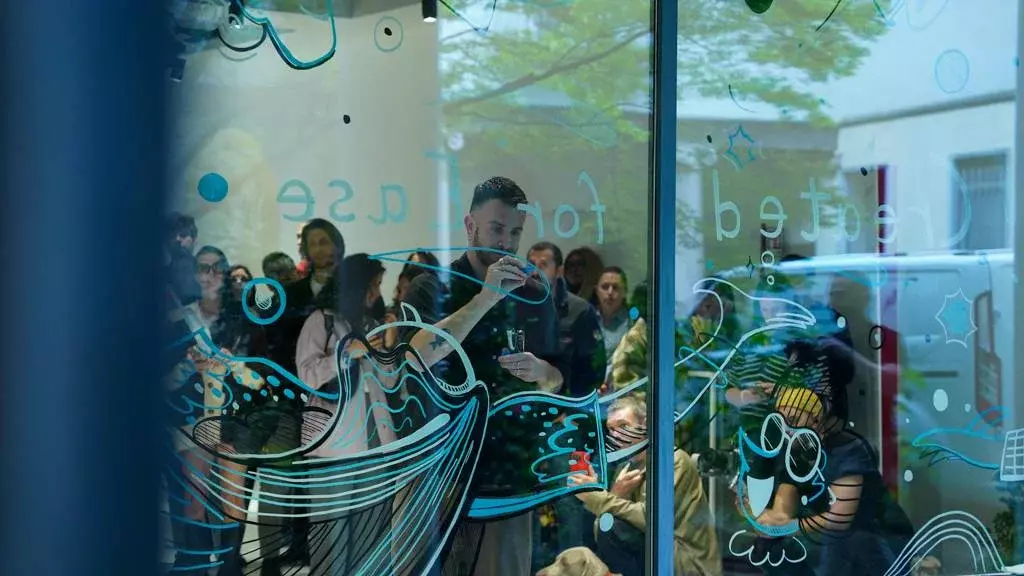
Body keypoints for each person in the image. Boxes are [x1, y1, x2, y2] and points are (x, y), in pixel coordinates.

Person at [400, 176, 564, 576]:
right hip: (434, 474)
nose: (506, 242)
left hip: (506, 479)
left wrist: (543, 372)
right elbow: (415, 357)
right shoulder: (430, 287)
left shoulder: (533, 295)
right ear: (470, 225)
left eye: (515, 232)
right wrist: (485, 298)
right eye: (496, 228)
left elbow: (557, 381)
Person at [295, 254, 400, 575]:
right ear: (357, 286)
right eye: (373, 285)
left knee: (373, 532)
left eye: (379, 286)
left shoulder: (373, 325)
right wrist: (346, 355)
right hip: (334, 444)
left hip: (376, 442)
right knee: (332, 533)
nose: (377, 293)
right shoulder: (322, 321)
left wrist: (387, 349)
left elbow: (390, 382)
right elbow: (307, 375)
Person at [751, 386, 915, 576]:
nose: (787, 429)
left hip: (877, 537)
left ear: (816, 421)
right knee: (771, 547)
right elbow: (785, 502)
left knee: (840, 542)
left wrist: (789, 526)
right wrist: (771, 523)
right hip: (838, 542)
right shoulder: (795, 454)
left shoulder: (847, 449)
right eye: (780, 423)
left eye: (794, 420)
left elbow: (839, 519)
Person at [568, 397, 722, 576]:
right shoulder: (625, 467)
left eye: (623, 426)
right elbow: (601, 531)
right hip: (656, 556)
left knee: (615, 528)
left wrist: (598, 497)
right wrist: (616, 494)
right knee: (606, 527)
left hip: (687, 562)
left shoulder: (672, 460)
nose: (615, 435)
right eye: (611, 429)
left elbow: (652, 520)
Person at [526, 241, 607, 569]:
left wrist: (569, 409)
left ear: (558, 270)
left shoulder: (578, 310)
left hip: (565, 424)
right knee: (527, 503)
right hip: (526, 421)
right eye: (530, 263)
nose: (535, 269)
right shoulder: (515, 306)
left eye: (543, 264)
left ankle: (575, 569)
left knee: (568, 500)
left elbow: (595, 369)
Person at [596, 266, 630, 361]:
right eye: (605, 287)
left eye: (615, 287)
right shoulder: (587, 320)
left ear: (625, 292)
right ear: (597, 291)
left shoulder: (633, 323)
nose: (610, 292)